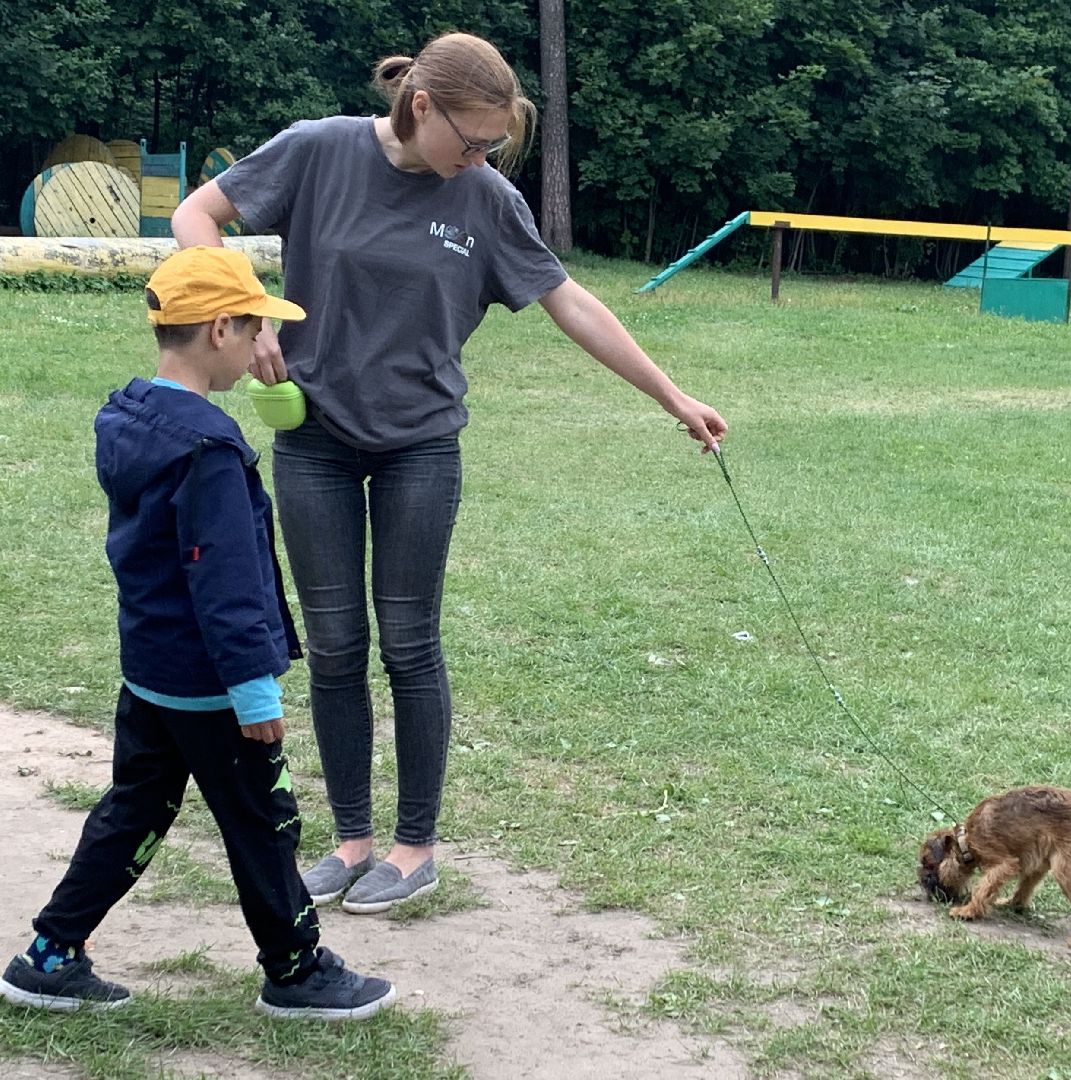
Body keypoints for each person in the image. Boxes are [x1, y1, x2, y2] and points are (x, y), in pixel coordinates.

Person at [171, 31, 728, 915]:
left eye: (492, 147)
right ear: (420, 106)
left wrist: (673, 396)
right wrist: (247, 308)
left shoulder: (485, 198)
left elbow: (570, 303)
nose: (478, 160)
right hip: (313, 439)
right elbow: (195, 216)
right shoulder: (318, 150)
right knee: (335, 646)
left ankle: (413, 848)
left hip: (420, 446)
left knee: (409, 643)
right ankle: (351, 841)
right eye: (470, 142)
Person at [0, 247, 395, 1020]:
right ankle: (296, 972)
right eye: (254, 331)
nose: (259, 347)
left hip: (152, 669)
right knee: (263, 821)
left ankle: (49, 957)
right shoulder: (208, 448)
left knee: (136, 808)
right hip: (213, 685)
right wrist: (253, 690)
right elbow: (224, 578)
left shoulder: (129, 416)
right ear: (220, 330)